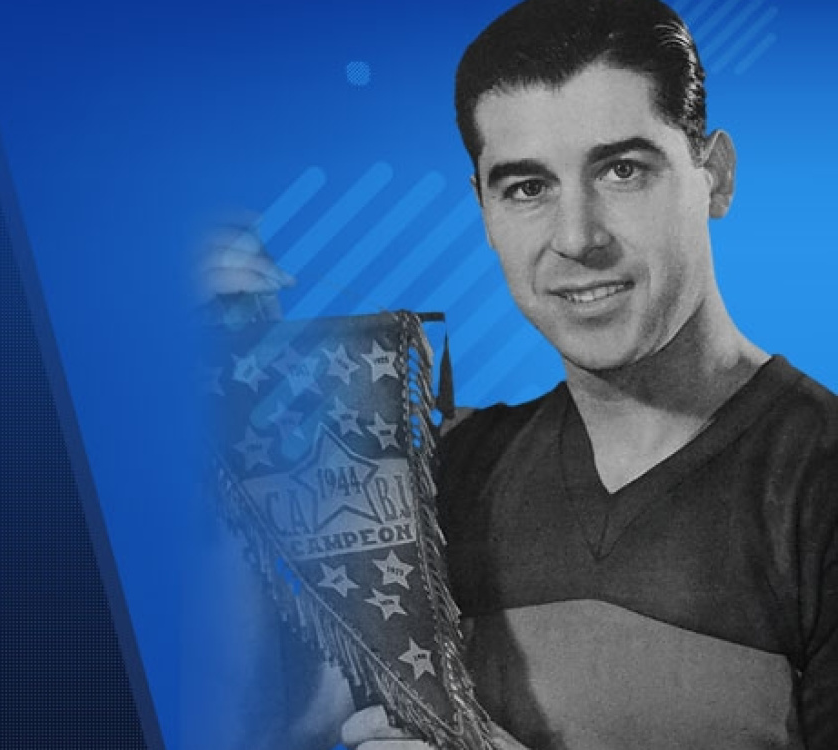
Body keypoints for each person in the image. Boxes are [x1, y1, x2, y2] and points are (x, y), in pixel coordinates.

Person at [201, 0, 838, 747]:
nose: (578, 238)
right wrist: (219, 396)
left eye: (623, 170)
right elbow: (279, 722)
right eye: (528, 188)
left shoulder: (818, 481)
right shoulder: (443, 473)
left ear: (715, 177)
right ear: (483, 207)